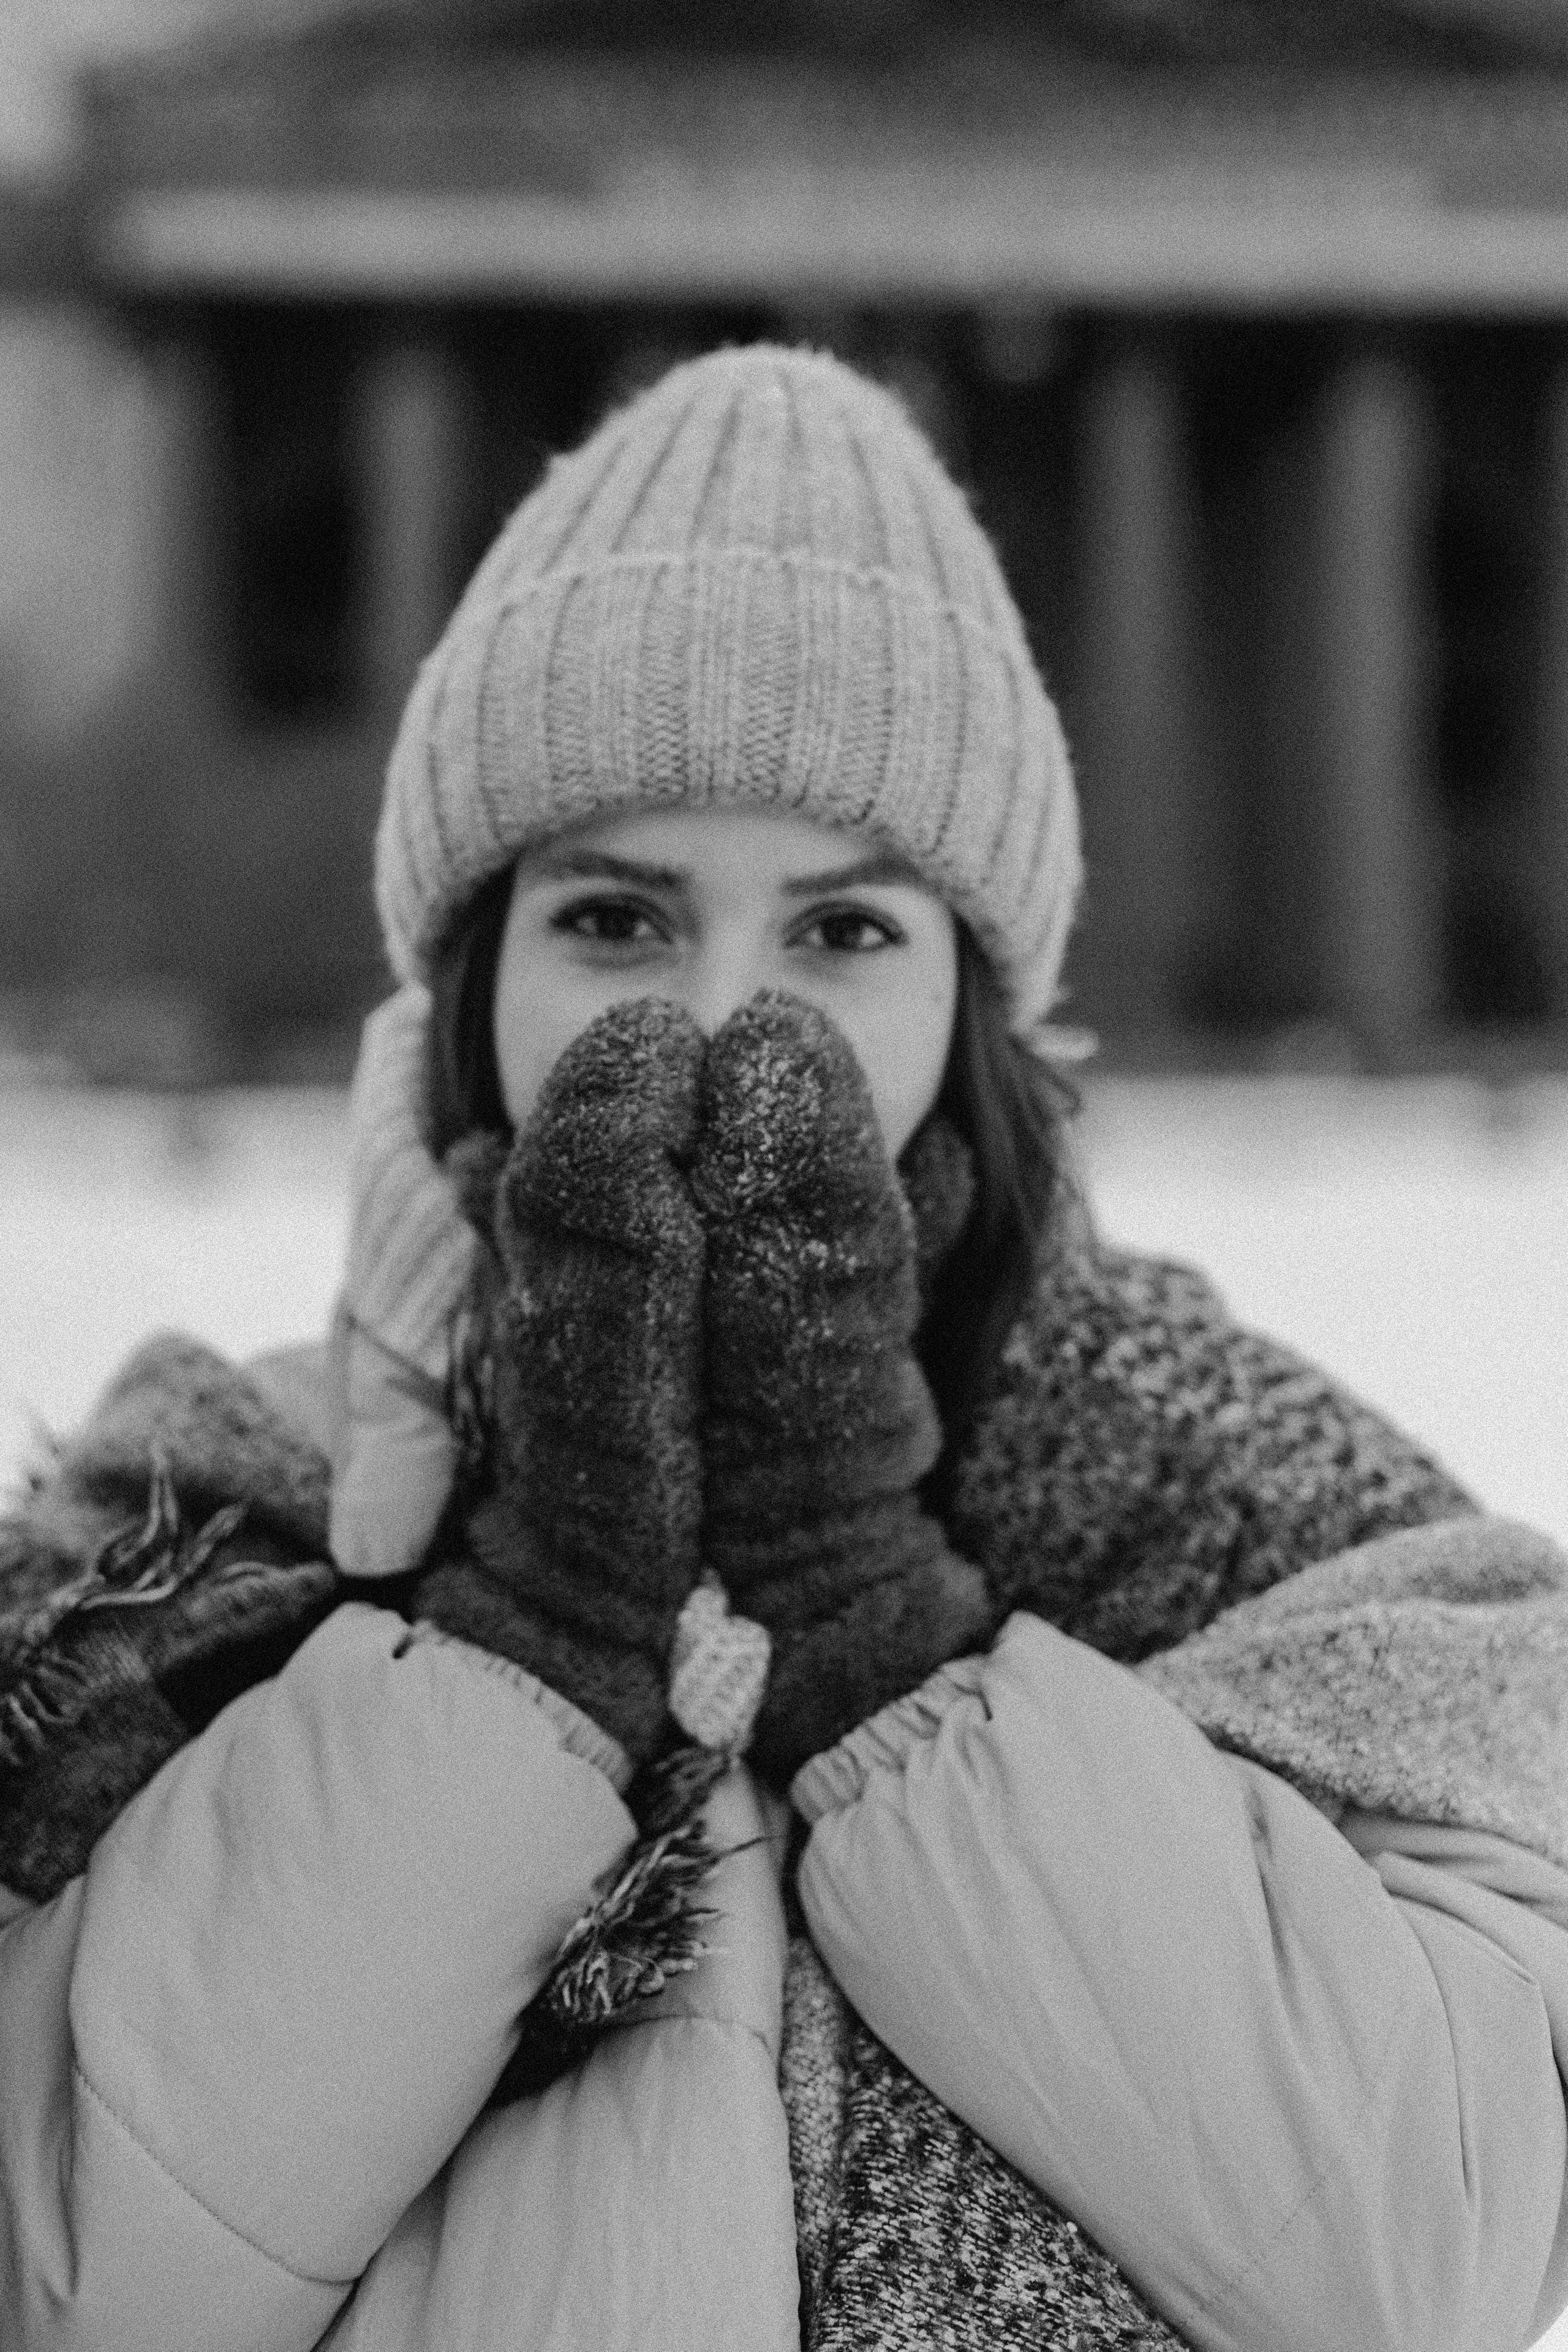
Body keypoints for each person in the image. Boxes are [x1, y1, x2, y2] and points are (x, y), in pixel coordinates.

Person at [1, 343, 1565, 2352]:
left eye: (843, 932)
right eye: (618, 924)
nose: (737, 1019)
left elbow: (1413, 2250)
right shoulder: (188, 1531)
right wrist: (524, 1638)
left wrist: (875, 1623)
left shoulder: (1263, 1517)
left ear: (976, 1000)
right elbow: (71, 2281)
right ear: (473, 977)